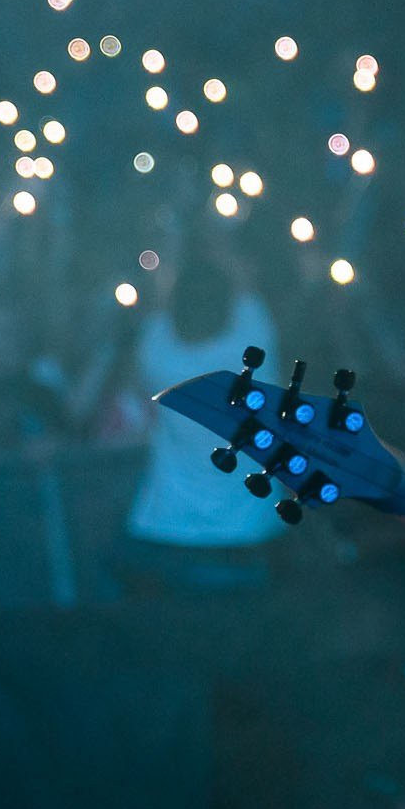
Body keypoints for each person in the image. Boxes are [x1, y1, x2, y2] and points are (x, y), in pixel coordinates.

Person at [119, 233, 286, 592]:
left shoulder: (155, 348)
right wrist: (219, 237)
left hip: (171, 524)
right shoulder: (252, 339)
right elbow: (243, 284)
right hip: (249, 527)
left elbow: (161, 310)